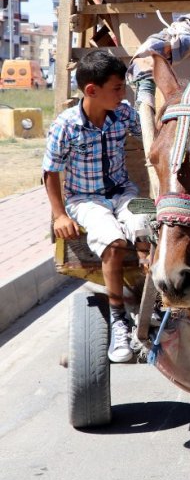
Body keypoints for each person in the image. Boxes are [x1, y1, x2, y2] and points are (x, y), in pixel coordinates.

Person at [43, 50, 150, 364]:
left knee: (152, 220)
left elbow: (151, 132)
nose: (123, 94)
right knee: (114, 244)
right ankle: (119, 319)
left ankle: (154, 301)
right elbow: (50, 171)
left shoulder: (125, 114)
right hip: (84, 201)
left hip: (125, 191)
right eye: (117, 88)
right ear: (92, 90)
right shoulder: (66, 126)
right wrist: (60, 214)